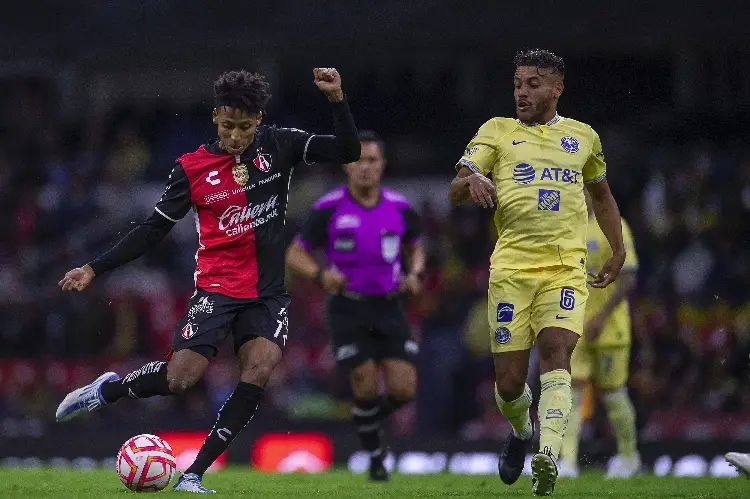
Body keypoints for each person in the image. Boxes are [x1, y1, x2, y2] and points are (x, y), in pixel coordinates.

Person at [55, 68, 360, 494]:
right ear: (216, 117)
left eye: (246, 127)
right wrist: (94, 268)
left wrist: (336, 99)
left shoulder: (280, 143)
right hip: (216, 290)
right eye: (228, 126)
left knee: (261, 367)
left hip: (268, 294)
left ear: (260, 119)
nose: (236, 136)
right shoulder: (192, 168)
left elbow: (349, 149)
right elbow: (152, 230)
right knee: (181, 380)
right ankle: (111, 389)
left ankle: (193, 474)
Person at [448, 49, 626, 497]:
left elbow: (601, 196)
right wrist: (471, 181)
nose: (522, 92)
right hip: (511, 270)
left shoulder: (584, 137)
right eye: (517, 84)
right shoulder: (496, 131)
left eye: (532, 84)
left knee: (556, 349)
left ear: (556, 88)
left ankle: (548, 455)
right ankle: (522, 431)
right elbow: (455, 188)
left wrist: (618, 248)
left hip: (565, 267)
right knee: (509, 385)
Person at [286, 130, 424, 482]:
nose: (365, 167)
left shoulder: (400, 206)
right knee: (364, 385)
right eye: (358, 160)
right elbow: (294, 253)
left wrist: (415, 272)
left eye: (372, 160)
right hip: (348, 308)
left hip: (390, 307)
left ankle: (366, 420)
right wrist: (320, 275)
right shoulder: (328, 207)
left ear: (383, 165)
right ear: (347, 165)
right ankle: (376, 456)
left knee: (403, 389)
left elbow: (416, 246)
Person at [558, 190, 640, 478]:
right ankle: (567, 462)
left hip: (609, 330)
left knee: (613, 395)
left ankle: (630, 457)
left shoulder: (614, 225)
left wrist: (601, 317)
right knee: (571, 394)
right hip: (576, 327)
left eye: (583, 192)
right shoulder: (569, 228)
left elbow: (628, 277)